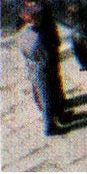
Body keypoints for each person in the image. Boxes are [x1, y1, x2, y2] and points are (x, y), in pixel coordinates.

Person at [18, 7, 61, 136]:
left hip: (32, 68)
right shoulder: (40, 37)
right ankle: (49, 127)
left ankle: (52, 120)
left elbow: (24, 53)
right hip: (43, 69)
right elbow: (47, 56)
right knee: (47, 98)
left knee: (41, 97)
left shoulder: (22, 34)